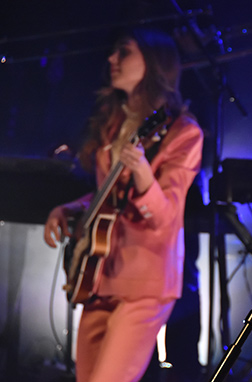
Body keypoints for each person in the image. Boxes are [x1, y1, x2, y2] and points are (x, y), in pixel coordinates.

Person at [43, 27, 203, 382]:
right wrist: (69, 209)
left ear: (154, 63)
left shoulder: (183, 133)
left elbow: (165, 216)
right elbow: (108, 195)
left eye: (124, 52)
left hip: (144, 283)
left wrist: (144, 174)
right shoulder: (112, 123)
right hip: (98, 275)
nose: (112, 60)